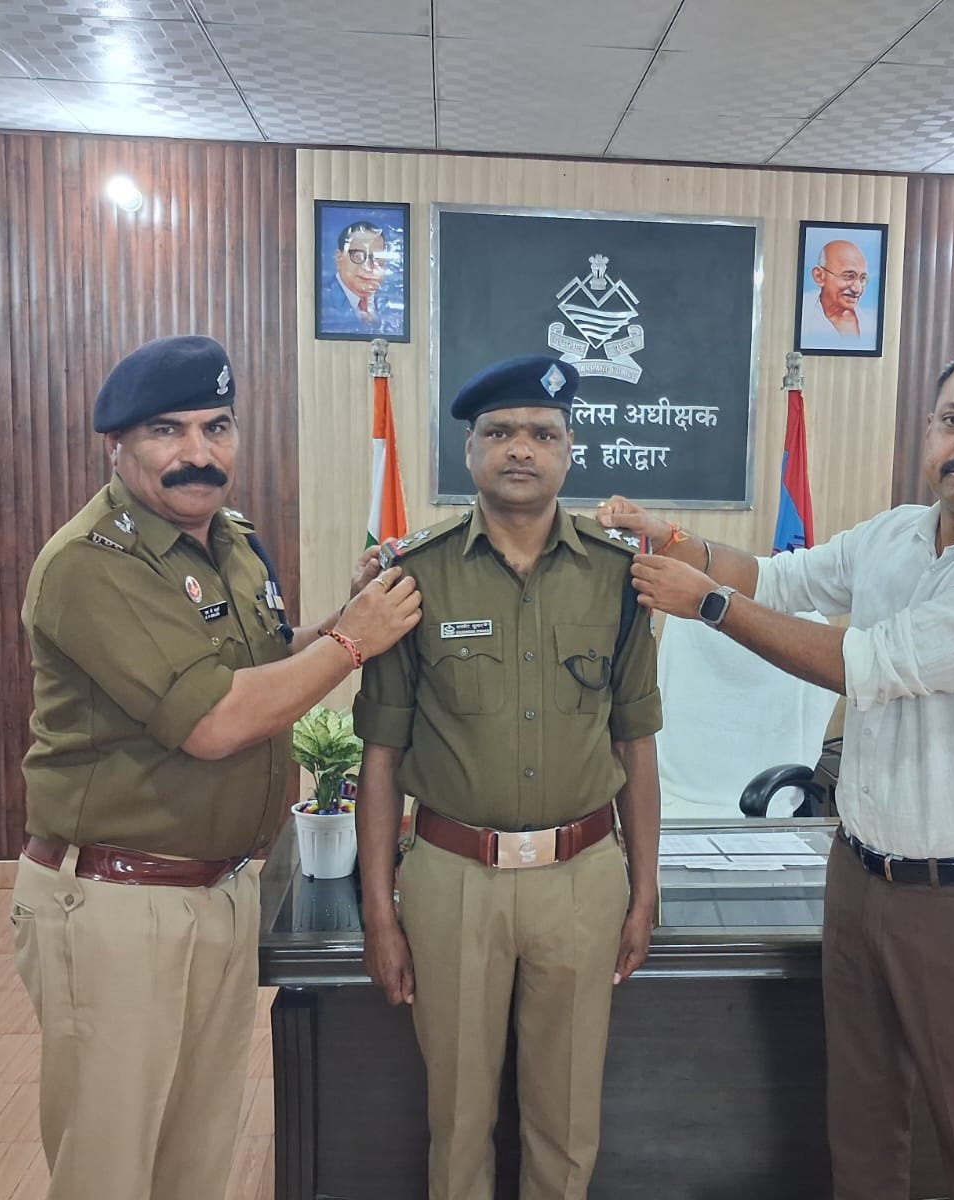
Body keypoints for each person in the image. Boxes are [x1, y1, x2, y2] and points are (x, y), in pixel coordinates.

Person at [602, 344, 954, 1200]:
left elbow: (869, 664)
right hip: (860, 876)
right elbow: (780, 578)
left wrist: (708, 605)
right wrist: (671, 538)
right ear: (930, 427)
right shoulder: (896, 533)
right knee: (862, 1124)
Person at [11, 334, 421, 1200]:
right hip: (120, 903)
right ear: (118, 445)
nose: (198, 453)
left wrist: (338, 622)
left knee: (195, 1156)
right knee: (109, 1166)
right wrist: (353, 645)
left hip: (220, 891)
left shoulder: (230, 541)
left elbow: (261, 664)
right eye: (168, 430)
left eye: (217, 427)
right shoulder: (92, 565)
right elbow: (213, 720)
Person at [355, 354, 663, 1200]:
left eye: (542, 434)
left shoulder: (620, 576)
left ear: (570, 450)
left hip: (583, 877)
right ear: (469, 450)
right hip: (452, 879)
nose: (520, 448)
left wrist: (644, 890)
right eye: (499, 432)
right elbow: (381, 756)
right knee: (457, 1120)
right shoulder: (410, 575)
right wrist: (379, 910)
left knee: (568, 1120)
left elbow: (636, 742)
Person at [800, 238, 877, 349]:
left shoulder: (870, 325)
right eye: (849, 276)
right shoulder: (802, 315)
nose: (858, 289)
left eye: (862, 279)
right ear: (819, 276)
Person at [320, 220, 394, 333]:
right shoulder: (321, 301)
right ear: (339, 258)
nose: (368, 267)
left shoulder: (391, 303)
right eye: (358, 256)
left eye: (378, 258)